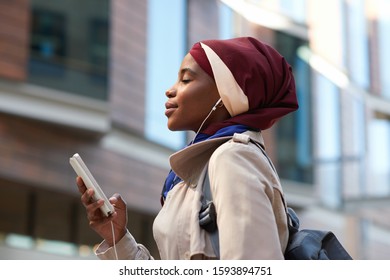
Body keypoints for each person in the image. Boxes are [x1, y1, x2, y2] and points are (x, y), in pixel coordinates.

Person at [76, 36, 299, 260]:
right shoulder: (196, 172)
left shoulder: (233, 157)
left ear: (226, 93)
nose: (170, 91)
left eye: (186, 80)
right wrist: (117, 237)